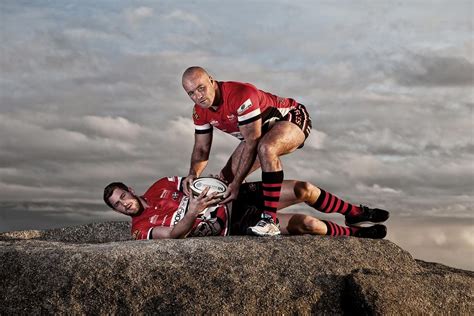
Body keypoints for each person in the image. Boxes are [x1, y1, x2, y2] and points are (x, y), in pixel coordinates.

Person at [181, 66, 313, 236]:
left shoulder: (240, 94)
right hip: (259, 134)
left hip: (290, 117)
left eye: (201, 88)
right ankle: (354, 213)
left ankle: (270, 220)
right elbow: (201, 148)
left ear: (212, 81)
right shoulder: (199, 111)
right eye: (191, 93)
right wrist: (193, 173)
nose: (198, 96)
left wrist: (238, 182)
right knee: (225, 181)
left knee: (266, 148)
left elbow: (252, 142)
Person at [103, 176, 389, 240]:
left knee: (303, 189)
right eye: (117, 205)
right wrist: (192, 211)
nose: (123, 204)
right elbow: (173, 235)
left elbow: (191, 180)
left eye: (122, 196)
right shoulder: (140, 230)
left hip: (232, 200)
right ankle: (353, 235)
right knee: (308, 224)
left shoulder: (159, 186)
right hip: (234, 225)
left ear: (130, 190)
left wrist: (204, 183)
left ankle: (354, 210)